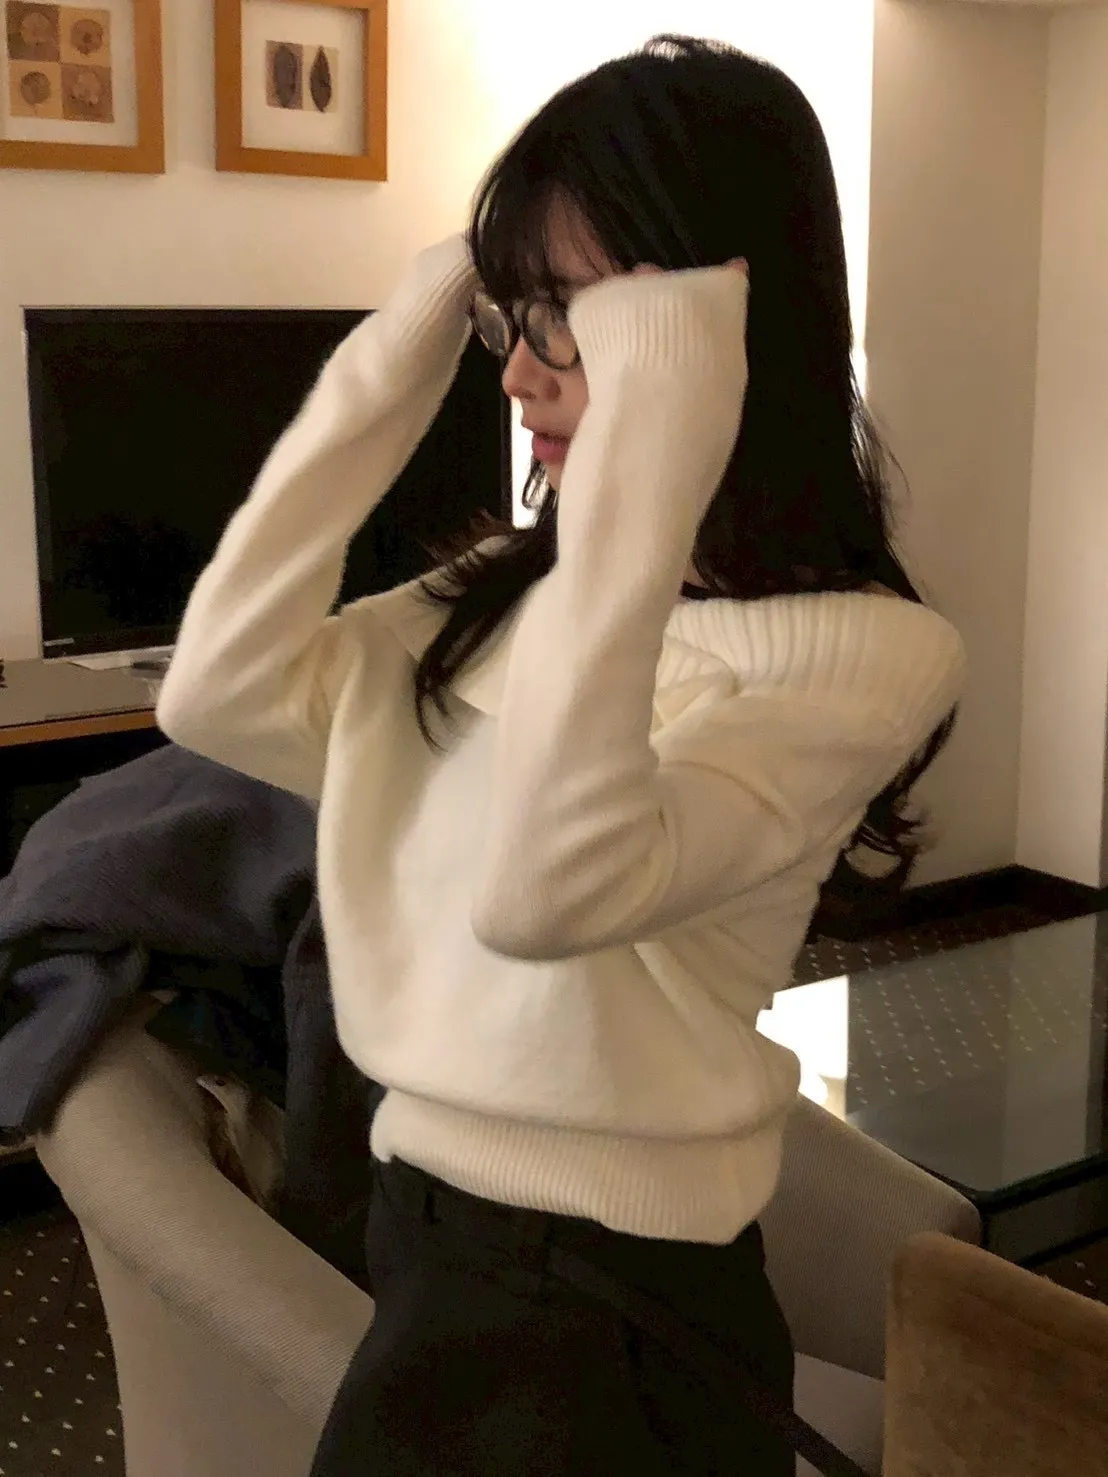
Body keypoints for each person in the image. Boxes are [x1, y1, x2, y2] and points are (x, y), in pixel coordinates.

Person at [156, 34, 966, 1477]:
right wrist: (390, 364)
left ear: (714, 338)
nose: (522, 374)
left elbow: (547, 892)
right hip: (425, 1233)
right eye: (509, 318)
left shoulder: (860, 652)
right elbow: (213, 695)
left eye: (575, 323)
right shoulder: (499, 597)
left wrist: (640, 481)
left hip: (608, 1303)